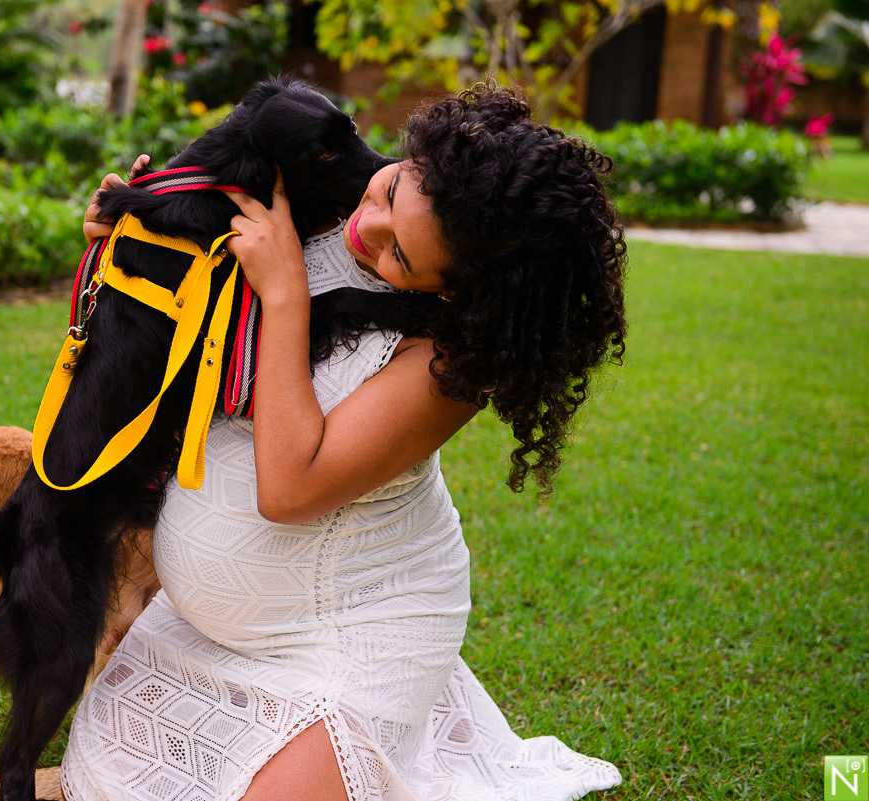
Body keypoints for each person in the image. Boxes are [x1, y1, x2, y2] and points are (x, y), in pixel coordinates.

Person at [63, 84, 628, 801]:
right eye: (391, 189)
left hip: (351, 638)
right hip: (202, 639)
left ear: (453, 292)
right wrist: (130, 247)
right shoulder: (316, 197)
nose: (370, 227)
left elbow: (290, 489)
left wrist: (286, 294)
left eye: (401, 257)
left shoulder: (447, 360)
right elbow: (144, 357)